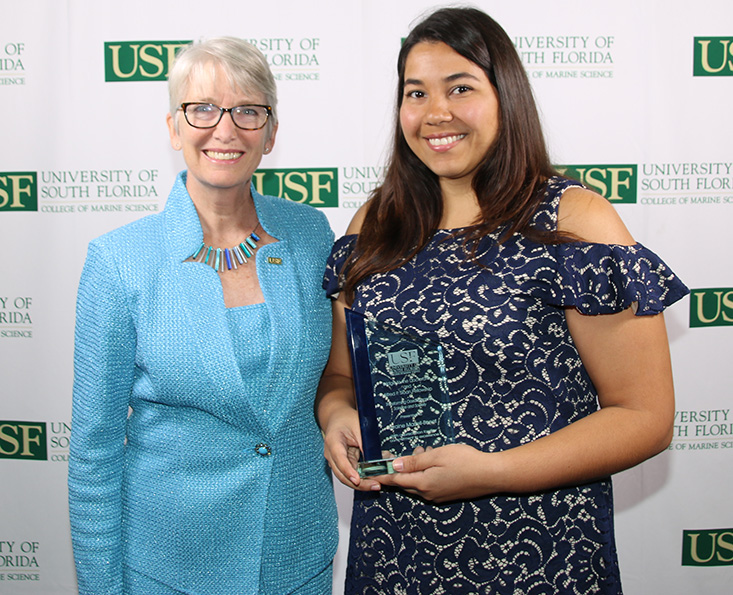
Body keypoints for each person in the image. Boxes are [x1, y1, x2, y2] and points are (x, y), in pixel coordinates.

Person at [316, 7, 688, 594]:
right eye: (416, 93)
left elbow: (644, 418)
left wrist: (493, 472)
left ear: (504, 96)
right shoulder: (376, 224)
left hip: (541, 553)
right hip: (396, 553)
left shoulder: (573, 221)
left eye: (460, 87)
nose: (436, 112)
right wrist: (337, 414)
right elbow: (340, 374)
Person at [68, 37, 337, 595]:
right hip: (169, 569)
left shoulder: (311, 234)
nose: (225, 128)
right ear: (173, 127)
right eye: (203, 109)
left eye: (248, 110)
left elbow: (329, 380)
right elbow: (92, 453)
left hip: (297, 559)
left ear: (270, 133)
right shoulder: (119, 262)